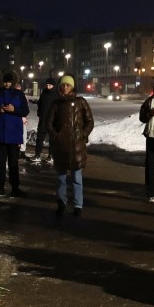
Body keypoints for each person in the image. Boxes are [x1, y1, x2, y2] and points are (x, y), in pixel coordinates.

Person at [46, 75, 94, 217]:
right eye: (63, 85)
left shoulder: (81, 102)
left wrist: (83, 135)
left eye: (68, 85)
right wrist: (56, 136)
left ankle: (78, 205)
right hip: (60, 147)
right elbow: (48, 124)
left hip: (77, 147)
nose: (65, 88)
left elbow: (89, 121)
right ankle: (61, 202)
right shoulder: (56, 104)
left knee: (76, 179)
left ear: (72, 87)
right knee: (61, 179)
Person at [0, 70, 30, 198]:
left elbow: (25, 110)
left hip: (14, 133)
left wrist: (14, 110)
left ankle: (15, 187)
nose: (7, 84)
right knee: (0, 162)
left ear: (13, 82)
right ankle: (0, 187)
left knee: (14, 163)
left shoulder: (19, 94)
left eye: (9, 82)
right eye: (5, 82)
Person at [32, 77, 60, 165]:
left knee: (52, 139)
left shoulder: (57, 94)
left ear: (54, 85)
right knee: (40, 137)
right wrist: (39, 112)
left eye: (50, 85)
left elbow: (59, 108)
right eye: (47, 85)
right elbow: (40, 103)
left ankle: (51, 156)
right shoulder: (44, 92)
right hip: (43, 119)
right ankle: (37, 155)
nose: (48, 87)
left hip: (52, 121)